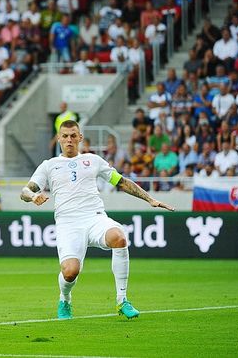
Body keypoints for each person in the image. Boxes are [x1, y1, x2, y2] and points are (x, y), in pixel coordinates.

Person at [20, 120, 174, 320]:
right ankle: (65, 298)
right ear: (58, 138)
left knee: (118, 237)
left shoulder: (93, 160)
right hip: (68, 224)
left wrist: (150, 199)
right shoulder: (49, 166)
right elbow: (25, 191)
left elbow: (121, 181)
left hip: (95, 218)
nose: (69, 140)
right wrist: (33, 197)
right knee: (70, 272)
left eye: (73, 135)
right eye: (65, 136)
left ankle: (122, 300)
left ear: (80, 138)